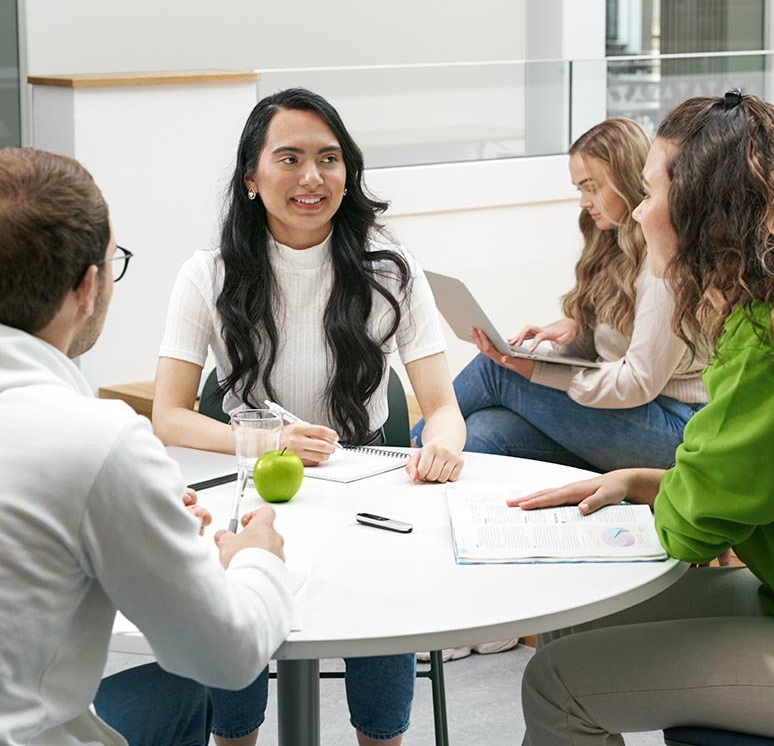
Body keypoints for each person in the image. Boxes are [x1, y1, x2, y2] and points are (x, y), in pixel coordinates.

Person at [151, 87, 466, 746]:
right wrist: (265, 437)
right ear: (250, 176)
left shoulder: (392, 269)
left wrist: (440, 444)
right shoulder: (205, 275)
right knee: (231, 651)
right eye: (289, 158)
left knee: (383, 615)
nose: (312, 177)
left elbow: (443, 408)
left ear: (348, 173)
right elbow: (169, 417)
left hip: (368, 495)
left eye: (329, 159)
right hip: (251, 492)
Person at [516, 91, 774, 743]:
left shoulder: (771, 341)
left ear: (704, 213)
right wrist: (642, 481)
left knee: (555, 684)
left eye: (645, 195)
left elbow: (696, 526)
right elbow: (717, 474)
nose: (638, 215)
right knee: (570, 619)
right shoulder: (768, 312)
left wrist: (658, 496)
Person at [0, 147, 293, 746]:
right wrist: (258, 556)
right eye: (114, 264)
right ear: (87, 287)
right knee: (187, 685)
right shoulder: (96, 440)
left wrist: (138, 511)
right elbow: (229, 656)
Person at [412, 118, 708, 472]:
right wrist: (574, 333)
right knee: (482, 432)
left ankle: (401, 453)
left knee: (497, 372)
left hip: (675, 428)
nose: (584, 202)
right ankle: (433, 481)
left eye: (592, 187)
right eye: (579, 189)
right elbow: (614, 348)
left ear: (628, 180)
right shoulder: (616, 249)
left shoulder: (661, 266)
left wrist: (540, 371)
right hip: (633, 416)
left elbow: (638, 382)